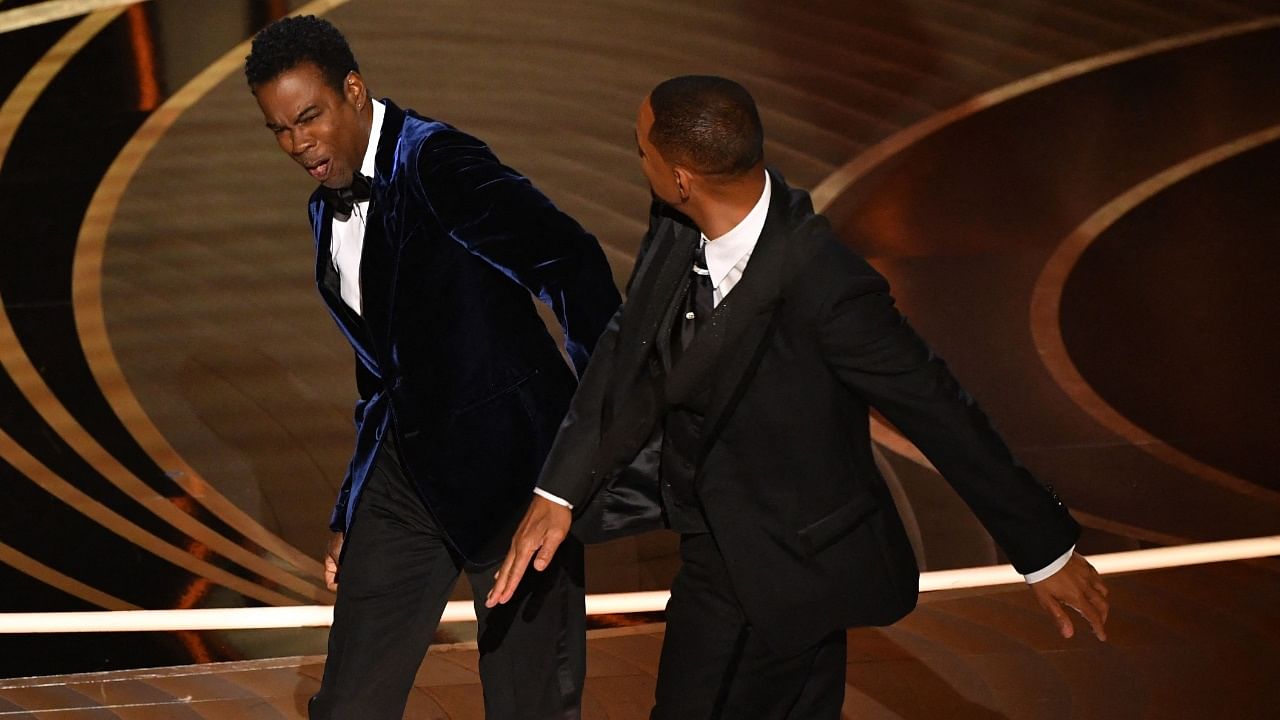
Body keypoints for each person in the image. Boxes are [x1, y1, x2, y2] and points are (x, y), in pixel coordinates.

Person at [487, 75, 1110, 719]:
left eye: (640, 149)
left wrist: (1044, 550)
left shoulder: (826, 284)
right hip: (734, 547)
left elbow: (938, 407)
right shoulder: (679, 221)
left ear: (680, 178)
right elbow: (631, 345)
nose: (636, 157)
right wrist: (558, 490)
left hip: (787, 560)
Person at [244, 16, 620, 720]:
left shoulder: (438, 163)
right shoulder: (327, 209)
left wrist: (582, 453)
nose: (297, 144)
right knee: (349, 703)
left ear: (353, 91)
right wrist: (352, 505)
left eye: (308, 118)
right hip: (407, 476)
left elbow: (574, 266)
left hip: (516, 482)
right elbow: (380, 370)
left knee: (529, 704)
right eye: (279, 130)